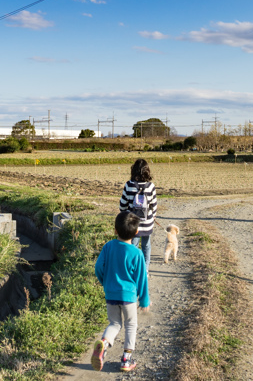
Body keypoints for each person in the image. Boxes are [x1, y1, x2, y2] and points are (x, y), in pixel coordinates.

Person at [91, 211, 150, 372]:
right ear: (137, 232)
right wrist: (144, 300)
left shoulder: (108, 246)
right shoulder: (137, 253)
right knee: (131, 324)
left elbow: (98, 268)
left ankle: (104, 343)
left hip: (111, 293)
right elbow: (141, 279)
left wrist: (106, 282)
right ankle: (126, 360)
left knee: (115, 323)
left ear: (115, 230)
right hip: (128, 296)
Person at [119, 158, 158, 266]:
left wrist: (126, 214)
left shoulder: (129, 185)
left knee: (133, 246)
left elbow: (122, 205)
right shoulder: (151, 186)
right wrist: (153, 217)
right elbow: (154, 206)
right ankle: (145, 270)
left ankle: (133, 268)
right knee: (146, 246)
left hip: (133, 222)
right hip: (147, 223)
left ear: (134, 170)